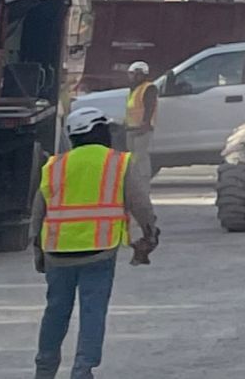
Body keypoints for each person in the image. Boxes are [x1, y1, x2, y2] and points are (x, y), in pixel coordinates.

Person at [33, 110, 159, 379]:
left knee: (56, 310)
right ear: (99, 131)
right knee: (93, 311)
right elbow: (140, 204)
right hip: (99, 251)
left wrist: (37, 250)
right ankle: (82, 370)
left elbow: (38, 211)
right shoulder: (117, 163)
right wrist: (150, 233)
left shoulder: (55, 165)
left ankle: (44, 369)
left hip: (58, 252)